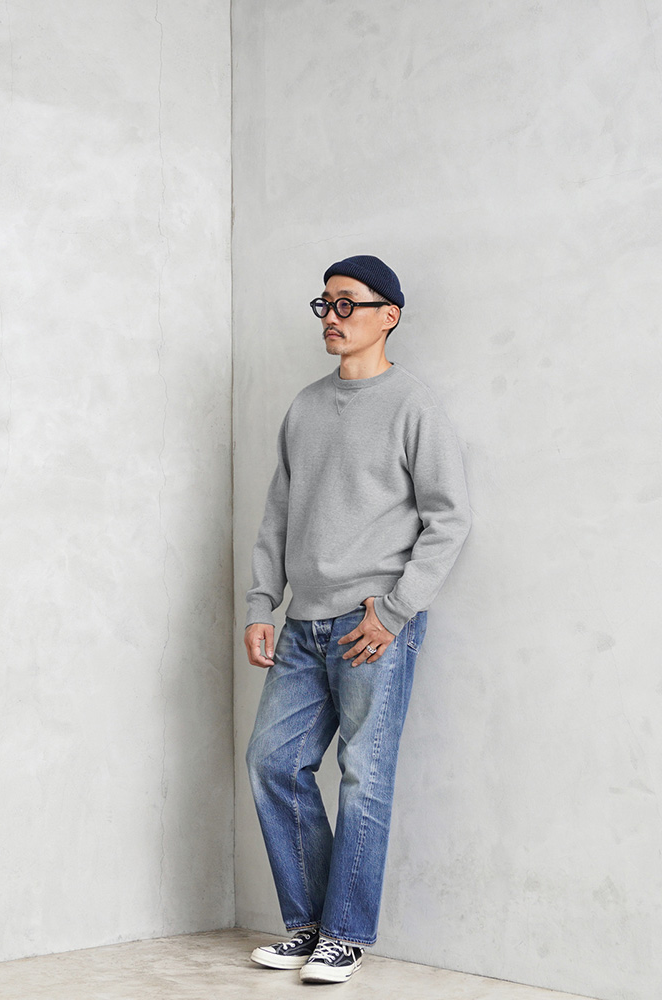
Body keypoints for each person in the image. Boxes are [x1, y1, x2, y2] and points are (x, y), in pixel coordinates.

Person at [244, 255, 471, 984]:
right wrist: (261, 603)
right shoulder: (305, 407)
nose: (332, 317)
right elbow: (277, 516)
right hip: (301, 626)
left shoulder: (412, 405)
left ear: (388, 315)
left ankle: (344, 935)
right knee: (273, 763)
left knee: (363, 777)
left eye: (347, 303)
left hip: (372, 625)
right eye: (325, 304)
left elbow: (449, 518)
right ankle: (310, 926)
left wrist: (397, 610)